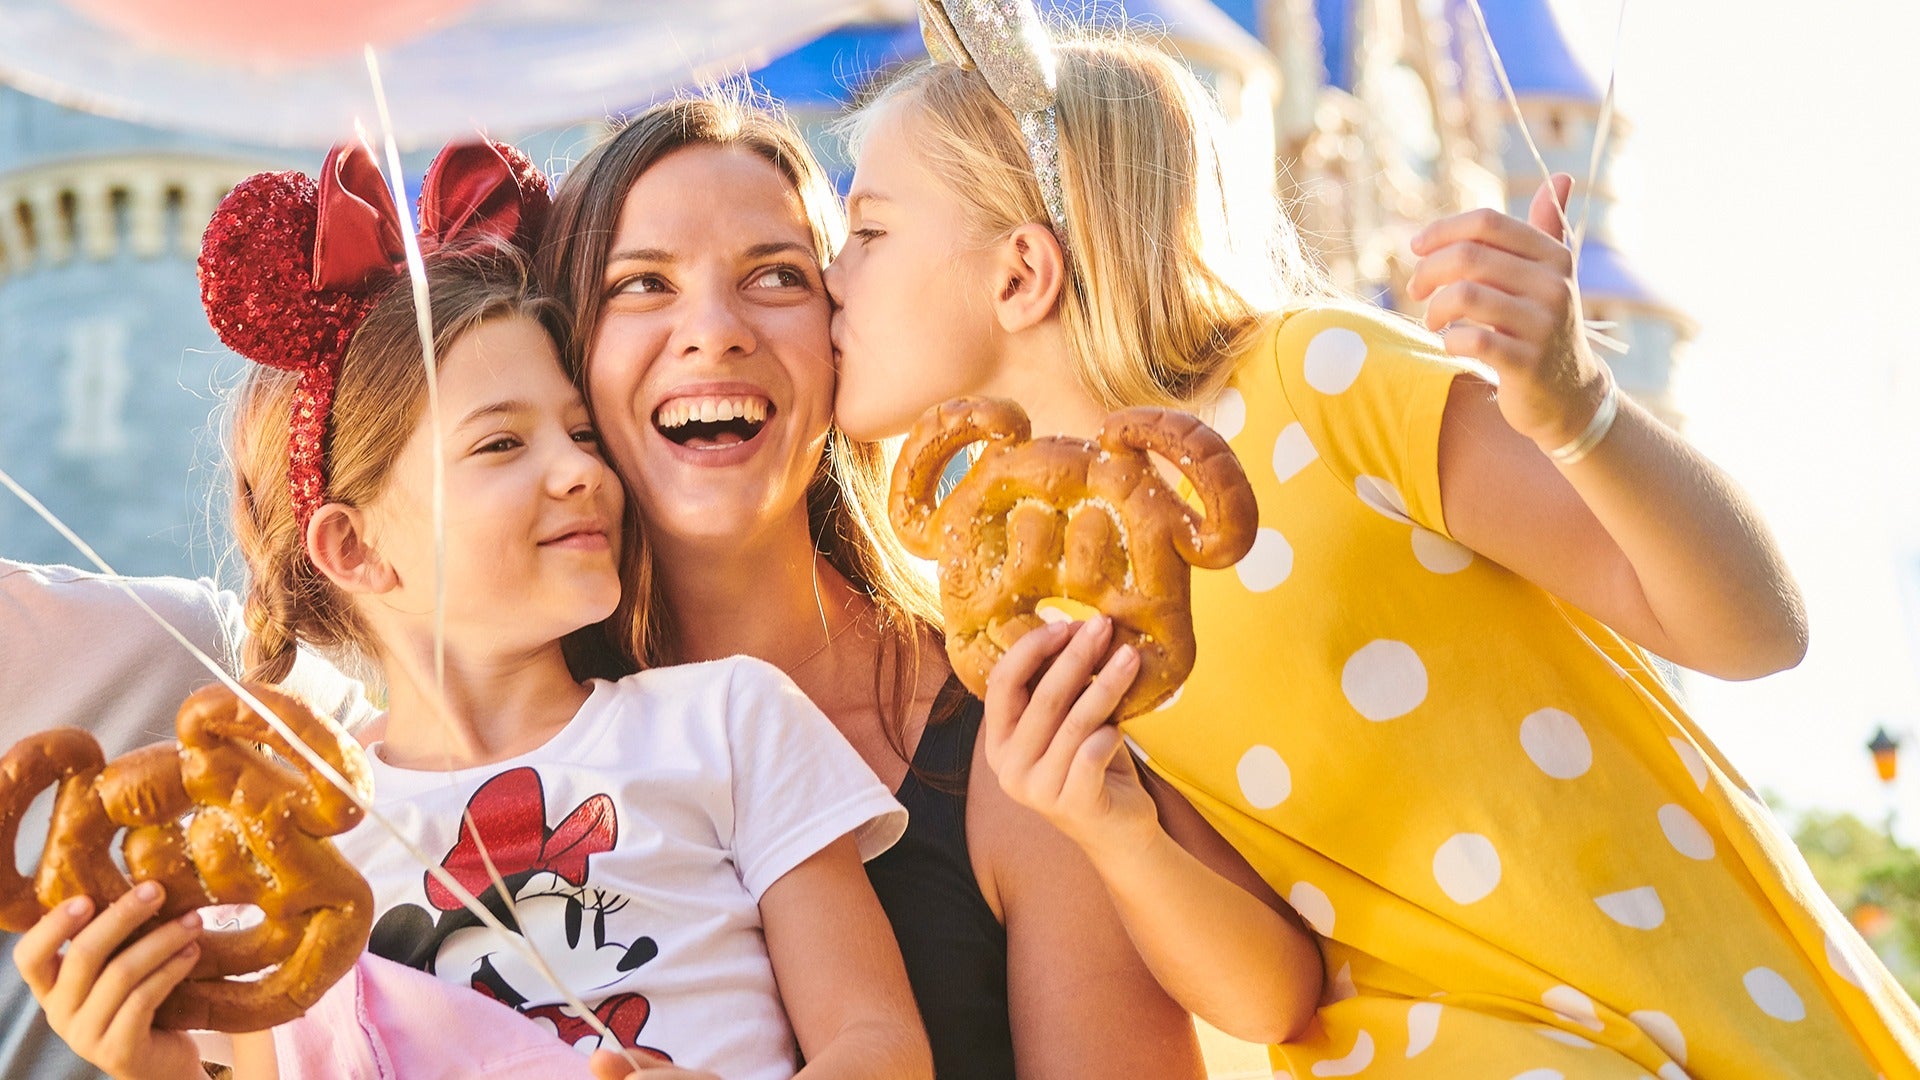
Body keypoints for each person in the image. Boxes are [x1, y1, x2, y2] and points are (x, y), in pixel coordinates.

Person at [820, 15, 1920, 1078]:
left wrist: (1575, 405)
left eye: (866, 231)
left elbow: (1751, 631)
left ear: (1020, 273)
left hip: (1661, 1000)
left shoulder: (1317, 382)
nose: (830, 277)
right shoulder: (1050, 598)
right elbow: (1269, 995)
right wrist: (1109, 831)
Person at [11, 139, 928, 1080]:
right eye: (501, 445)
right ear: (353, 548)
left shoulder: (734, 721)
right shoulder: (282, 856)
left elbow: (882, 1047)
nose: (581, 469)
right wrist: (149, 1065)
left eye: (579, 432)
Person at [536, 94, 1217, 1079]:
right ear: (568, 355)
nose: (714, 331)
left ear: (842, 327)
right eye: (642, 284)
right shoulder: (492, 751)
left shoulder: (1016, 736)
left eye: (776, 275)